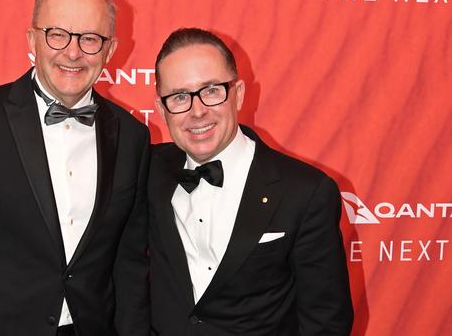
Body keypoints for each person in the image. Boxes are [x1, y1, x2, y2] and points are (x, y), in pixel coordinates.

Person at [0, 0, 150, 336]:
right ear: (33, 40)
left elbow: (130, 265)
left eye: (90, 39)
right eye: (57, 34)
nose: (73, 53)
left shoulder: (133, 136)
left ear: (109, 49)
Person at [148, 28, 353, 335]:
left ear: (238, 93)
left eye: (212, 90)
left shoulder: (305, 192)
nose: (198, 111)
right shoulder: (145, 170)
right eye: (179, 97)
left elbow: (326, 321)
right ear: (161, 110)